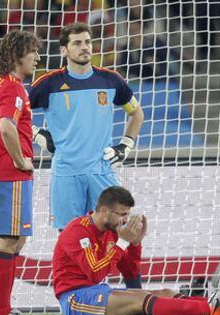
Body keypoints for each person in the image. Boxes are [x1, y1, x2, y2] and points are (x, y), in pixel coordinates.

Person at [29, 22, 144, 288]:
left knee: (121, 230)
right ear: (64, 50)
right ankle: (76, 294)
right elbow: (15, 115)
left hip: (100, 170)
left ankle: (135, 292)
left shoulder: (111, 80)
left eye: (88, 42)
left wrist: (125, 144)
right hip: (66, 172)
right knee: (71, 236)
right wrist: (38, 135)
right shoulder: (48, 84)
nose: (85, 47)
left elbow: (136, 113)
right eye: (78, 43)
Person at [52, 186, 220, 315]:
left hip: (98, 291)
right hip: (74, 299)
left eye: (127, 214)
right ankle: (212, 308)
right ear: (105, 211)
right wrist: (124, 241)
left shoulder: (111, 231)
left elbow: (130, 273)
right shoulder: (78, 231)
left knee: (164, 292)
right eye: (121, 214)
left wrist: (135, 244)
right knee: (143, 300)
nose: (125, 220)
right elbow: (94, 273)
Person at [0, 30, 41, 315]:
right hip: (10, 173)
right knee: (9, 239)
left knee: (15, 240)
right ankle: (2, 312)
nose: (38, 57)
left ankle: (3, 308)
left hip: (0, 170)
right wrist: (21, 161)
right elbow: (6, 127)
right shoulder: (14, 89)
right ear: (18, 54)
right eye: (33, 51)